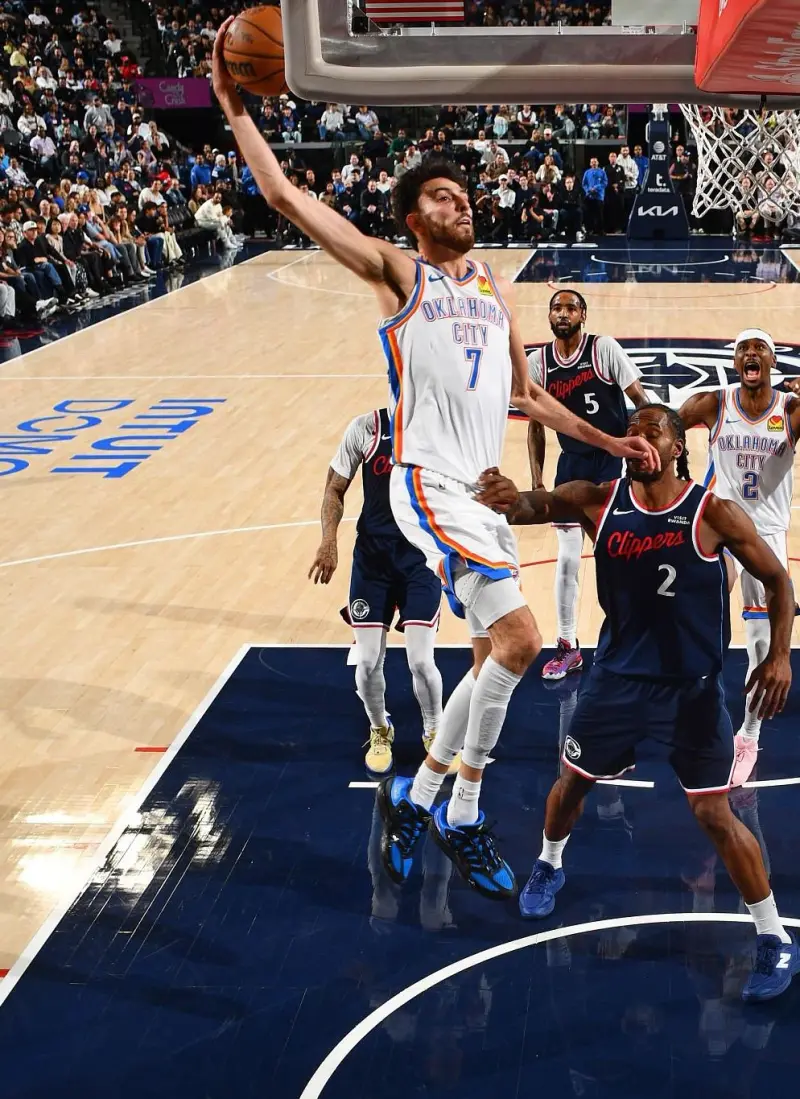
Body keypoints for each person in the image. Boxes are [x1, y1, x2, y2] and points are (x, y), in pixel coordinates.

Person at [210, 19, 658, 899]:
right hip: (427, 484)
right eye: (445, 198)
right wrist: (232, 106)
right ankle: (464, 811)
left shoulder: (491, 286)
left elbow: (530, 396)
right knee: (523, 640)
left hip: (482, 493)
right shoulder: (399, 275)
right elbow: (287, 199)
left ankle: (418, 797)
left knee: (494, 649)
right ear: (416, 219)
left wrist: (612, 441)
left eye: (464, 196)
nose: (463, 205)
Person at [478, 404, 798, 1004]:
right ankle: (549, 862)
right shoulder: (598, 500)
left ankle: (773, 934)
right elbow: (532, 507)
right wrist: (507, 497)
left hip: (690, 692)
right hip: (617, 683)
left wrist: (779, 656)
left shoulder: (713, 512)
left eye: (653, 428)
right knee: (571, 783)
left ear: (678, 448)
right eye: (631, 429)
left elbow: (780, 582)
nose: (638, 435)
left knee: (714, 815)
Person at [679, 329, 798, 785]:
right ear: (735, 362)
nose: (751, 354)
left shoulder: (789, 411)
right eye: (743, 349)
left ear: (772, 361)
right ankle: (687, 705)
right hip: (720, 525)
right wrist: (678, 470)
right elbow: (664, 426)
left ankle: (748, 737)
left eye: (759, 348)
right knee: (690, 613)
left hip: (765, 535)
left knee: (761, 647)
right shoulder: (714, 404)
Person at [308, 408, 448, 776]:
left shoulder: (440, 427)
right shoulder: (366, 428)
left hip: (420, 558)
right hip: (373, 562)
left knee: (421, 661)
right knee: (368, 661)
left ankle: (435, 731)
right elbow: (334, 487)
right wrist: (328, 541)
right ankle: (380, 728)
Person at [527, 291, 649, 679]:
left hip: (612, 463)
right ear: (549, 316)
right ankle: (568, 645)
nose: (562, 314)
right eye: (556, 308)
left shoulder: (603, 349)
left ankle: (634, 640)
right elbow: (535, 426)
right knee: (566, 560)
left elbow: (641, 401)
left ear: (583, 315)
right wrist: (536, 480)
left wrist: (647, 451)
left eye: (570, 308)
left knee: (618, 557)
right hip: (572, 466)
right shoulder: (538, 363)